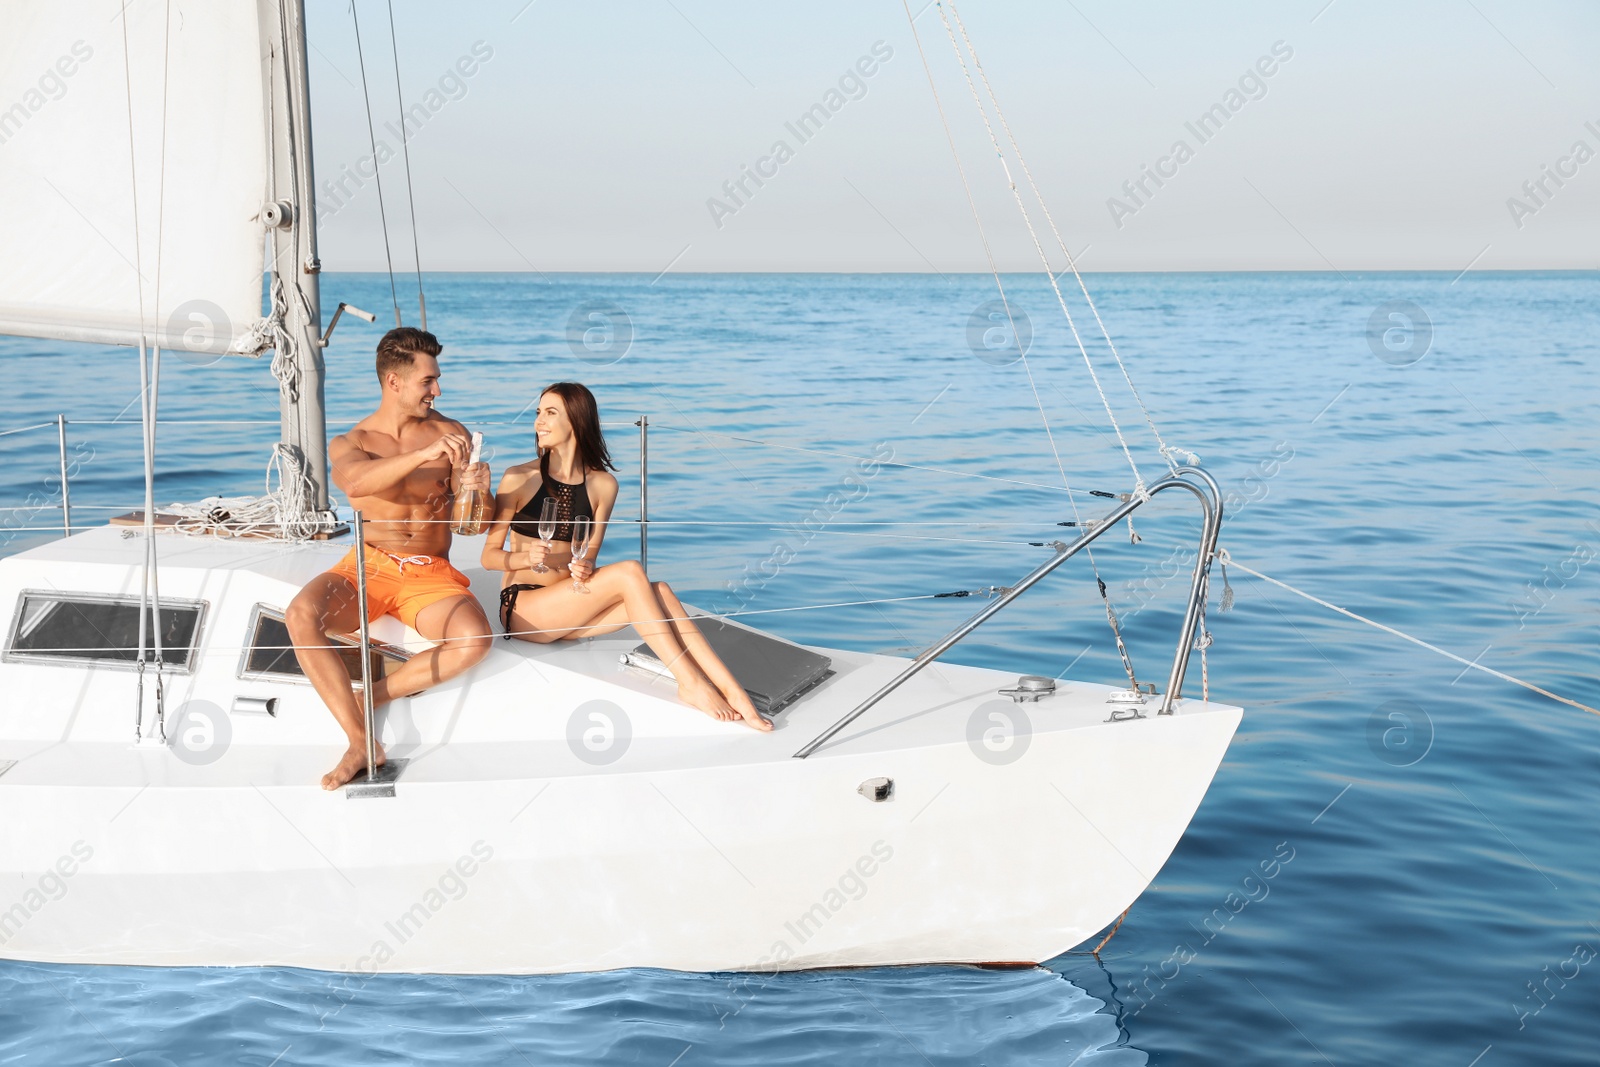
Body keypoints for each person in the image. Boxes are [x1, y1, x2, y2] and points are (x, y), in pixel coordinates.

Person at [483, 382, 770, 732]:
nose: (539, 422)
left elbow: (587, 559)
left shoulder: (603, 485)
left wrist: (584, 565)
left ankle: (732, 690)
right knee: (630, 572)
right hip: (525, 611)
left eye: (550, 413)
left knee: (660, 591)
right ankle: (691, 684)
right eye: (538, 413)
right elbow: (489, 557)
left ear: (576, 420)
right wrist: (526, 557)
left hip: (570, 610)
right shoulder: (519, 478)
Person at [286, 327, 494, 790]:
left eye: (437, 379)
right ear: (394, 382)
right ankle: (361, 743)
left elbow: (473, 525)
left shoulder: (452, 433)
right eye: (428, 381)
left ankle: (368, 698)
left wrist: (478, 491)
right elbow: (357, 485)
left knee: (474, 640)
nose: (438, 390)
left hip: (430, 573)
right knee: (301, 614)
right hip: (369, 566)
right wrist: (425, 454)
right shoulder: (352, 441)